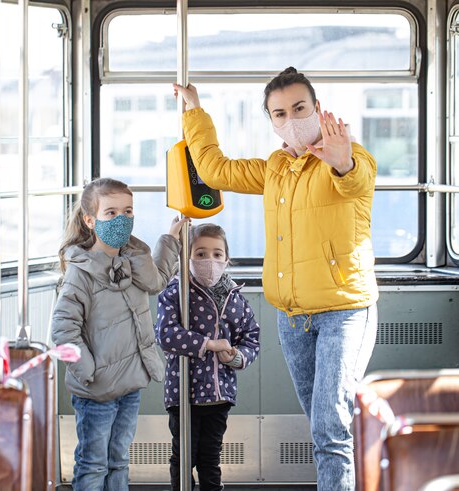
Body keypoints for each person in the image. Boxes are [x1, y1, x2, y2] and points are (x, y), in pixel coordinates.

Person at [173, 67, 378, 491]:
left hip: (344, 311)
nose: (291, 119)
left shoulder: (351, 156)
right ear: (272, 121)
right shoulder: (275, 169)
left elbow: (355, 180)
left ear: (318, 109)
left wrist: (343, 162)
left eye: (299, 108)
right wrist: (195, 112)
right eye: (279, 113)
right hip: (291, 317)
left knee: (331, 427)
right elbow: (215, 170)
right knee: (324, 426)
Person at [51, 177, 188, 491]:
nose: (122, 219)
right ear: (90, 220)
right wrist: (90, 372)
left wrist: (170, 239)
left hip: (129, 385)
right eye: (111, 213)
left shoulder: (132, 261)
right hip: (96, 392)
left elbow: (157, 281)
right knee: (93, 464)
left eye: (127, 211)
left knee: (119, 460)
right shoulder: (80, 272)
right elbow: (63, 330)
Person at [155, 223, 260, 491]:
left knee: (210, 459)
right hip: (183, 394)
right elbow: (166, 334)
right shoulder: (175, 290)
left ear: (227, 258)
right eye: (200, 254)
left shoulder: (235, 298)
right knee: (183, 458)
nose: (209, 261)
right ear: (186, 257)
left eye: (217, 254)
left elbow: (251, 338)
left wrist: (236, 357)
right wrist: (208, 344)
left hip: (219, 393)